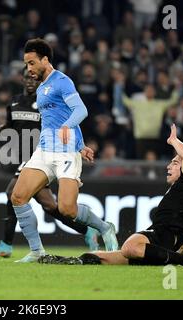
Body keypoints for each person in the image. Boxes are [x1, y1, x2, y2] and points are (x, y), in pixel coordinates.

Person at [39, 124, 183, 268]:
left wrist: (173, 140)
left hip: (159, 238)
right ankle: (68, 261)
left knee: (130, 247)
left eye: (174, 163)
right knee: (99, 257)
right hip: (160, 246)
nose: (168, 166)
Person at [10, 38, 118, 263]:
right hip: (44, 150)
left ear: (45, 60)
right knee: (18, 196)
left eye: (31, 63)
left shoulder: (62, 81)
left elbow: (81, 110)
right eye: (26, 64)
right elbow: (56, 118)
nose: (28, 69)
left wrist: (72, 138)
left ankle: (104, 227)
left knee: (67, 209)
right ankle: (37, 251)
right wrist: (81, 143)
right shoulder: (41, 88)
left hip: (65, 153)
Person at [0, 70, 101, 258]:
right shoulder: (14, 102)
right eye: (27, 77)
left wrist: (79, 145)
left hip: (45, 155)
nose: (30, 81)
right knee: (51, 206)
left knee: (12, 193)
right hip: (30, 159)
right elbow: (8, 130)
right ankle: (87, 230)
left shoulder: (45, 102)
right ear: (22, 79)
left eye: (33, 77)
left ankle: (6, 245)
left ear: (38, 80)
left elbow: (65, 120)